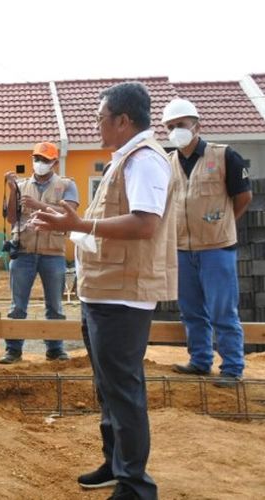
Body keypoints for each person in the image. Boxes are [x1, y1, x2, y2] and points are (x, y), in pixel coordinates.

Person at [32, 82, 177, 500]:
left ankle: (136, 484)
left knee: (124, 389)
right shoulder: (123, 161)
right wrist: (67, 220)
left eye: (101, 119)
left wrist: (77, 226)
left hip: (123, 295)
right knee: (109, 387)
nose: (97, 126)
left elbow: (144, 224)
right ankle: (116, 464)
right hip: (104, 291)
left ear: (123, 120)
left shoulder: (145, 161)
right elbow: (106, 223)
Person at [161, 98, 252, 388]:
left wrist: (222, 224)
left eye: (182, 125)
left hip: (217, 249)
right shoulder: (168, 163)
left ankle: (232, 368)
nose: (176, 131)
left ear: (196, 125)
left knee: (223, 310)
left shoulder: (224, 156)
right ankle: (200, 361)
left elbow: (243, 197)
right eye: (171, 126)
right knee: (191, 310)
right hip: (182, 249)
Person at [0, 142, 79, 364]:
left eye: (45, 160)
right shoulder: (22, 185)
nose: (40, 163)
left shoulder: (66, 185)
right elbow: (12, 219)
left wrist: (38, 205)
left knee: (55, 305)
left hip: (53, 252)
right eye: (37, 159)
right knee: (17, 306)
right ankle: (13, 350)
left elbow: (69, 215)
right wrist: (12, 190)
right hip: (24, 251)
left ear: (54, 162)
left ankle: (55, 348)